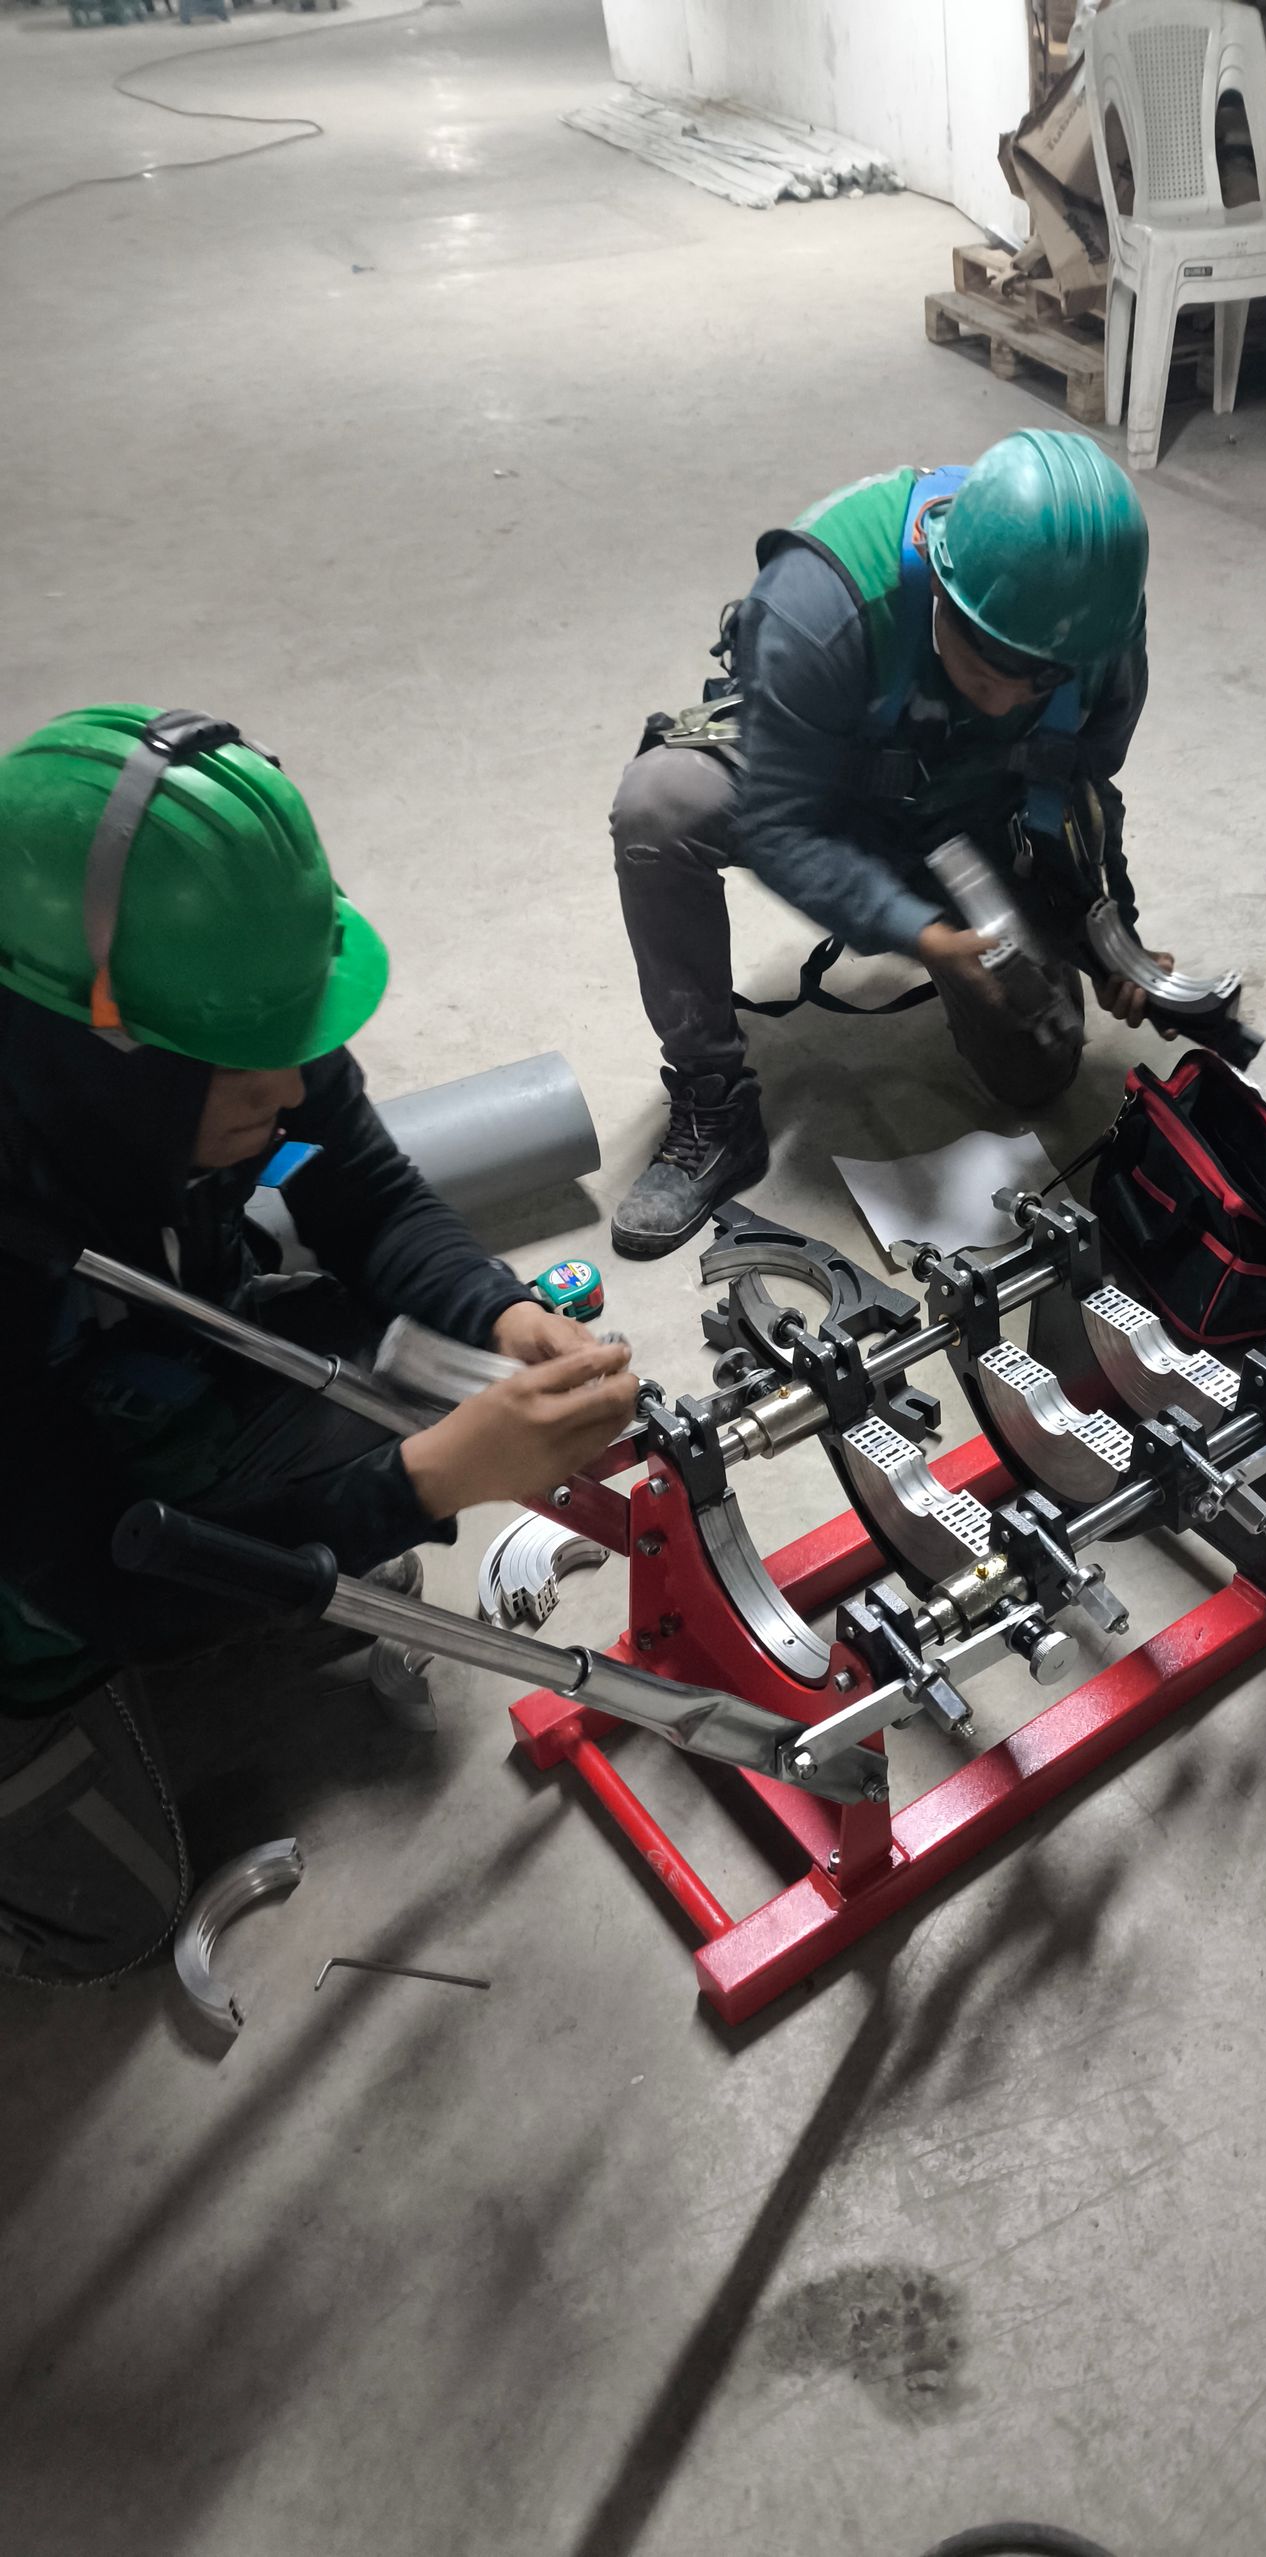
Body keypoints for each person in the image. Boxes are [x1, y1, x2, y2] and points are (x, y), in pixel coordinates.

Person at [0, 706, 636, 1985]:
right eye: (250, 1068)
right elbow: (91, 1575)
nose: (291, 1089)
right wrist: (424, 1486)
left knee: (399, 1366)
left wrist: (494, 1315)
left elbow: (362, 1192)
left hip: (124, 1359)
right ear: (95, 1050)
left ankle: (255, 1526)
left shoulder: (225, 1040)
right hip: (30, 1556)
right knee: (109, 1922)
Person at [608, 429, 1165, 1259]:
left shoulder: (1098, 629)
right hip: (818, 786)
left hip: (959, 821)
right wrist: (920, 932)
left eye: (1040, 679)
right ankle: (712, 1099)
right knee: (662, 805)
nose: (1012, 696)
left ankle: (961, 942)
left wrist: (1108, 931)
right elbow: (779, 822)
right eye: (988, 671)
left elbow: (1080, 790)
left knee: (1040, 1076)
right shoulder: (817, 605)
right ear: (942, 587)